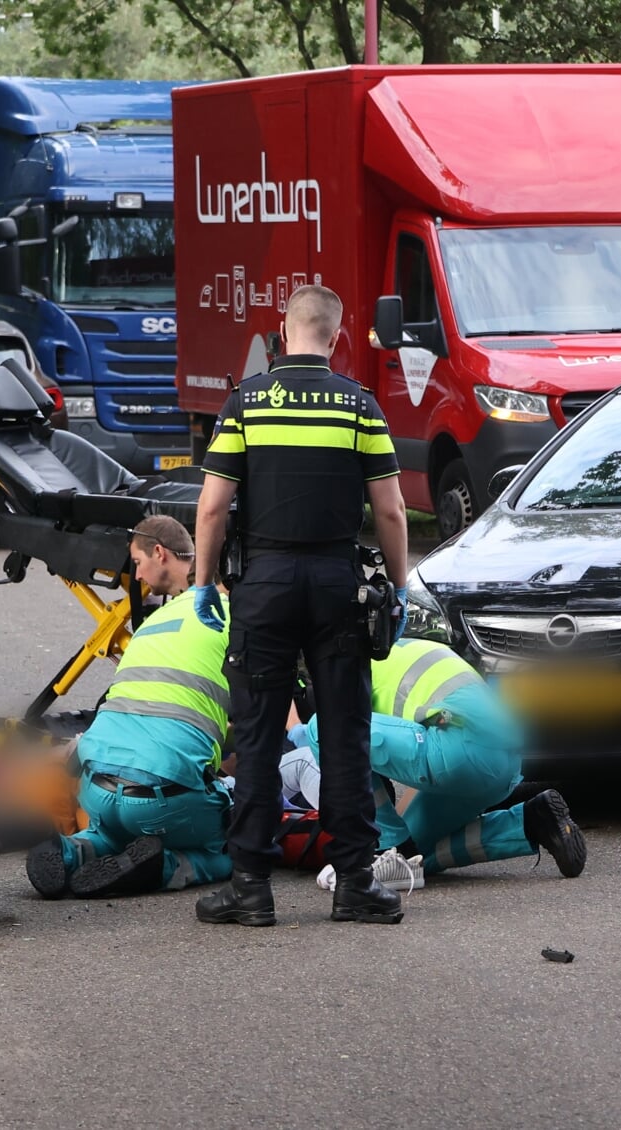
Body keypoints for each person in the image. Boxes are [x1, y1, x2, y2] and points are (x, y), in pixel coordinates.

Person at [190, 284, 412, 927]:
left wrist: (204, 583)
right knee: (345, 733)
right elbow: (392, 509)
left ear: (281, 333)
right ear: (337, 338)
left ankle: (251, 888)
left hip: (264, 583)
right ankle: (356, 885)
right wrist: (396, 588)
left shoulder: (246, 404)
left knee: (257, 732)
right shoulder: (359, 406)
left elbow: (211, 507)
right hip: (337, 583)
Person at [22, 516, 234, 898]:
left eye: (136, 563)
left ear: (160, 552)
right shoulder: (232, 620)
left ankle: (72, 851)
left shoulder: (151, 627)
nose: (135, 577)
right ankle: (163, 868)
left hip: (97, 789)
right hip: (162, 797)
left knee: (108, 830)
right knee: (232, 846)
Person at [282, 637, 587, 892]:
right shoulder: (398, 650)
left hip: (457, 751)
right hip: (501, 766)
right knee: (413, 856)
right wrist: (402, 837)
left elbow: (345, 754)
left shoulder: (351, 668)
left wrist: (298, 733)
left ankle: (384, 847)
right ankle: (532, 821)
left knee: (324, 727)